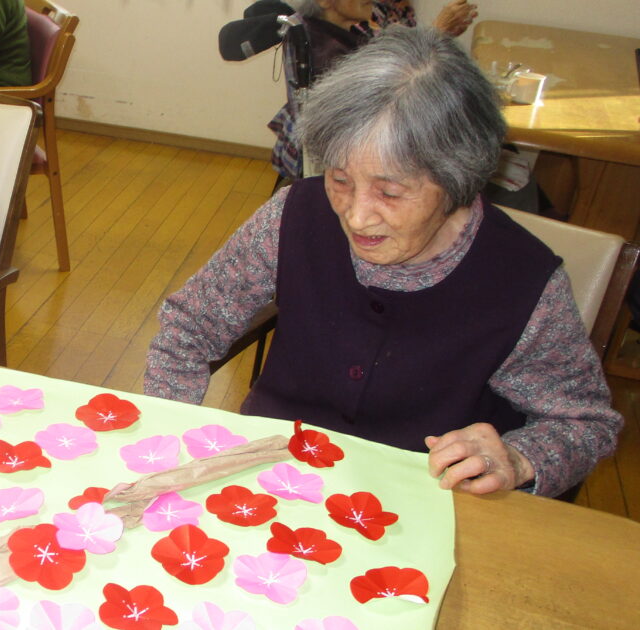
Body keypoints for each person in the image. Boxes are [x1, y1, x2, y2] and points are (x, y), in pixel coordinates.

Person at [144, 27, 621, 499]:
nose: (355, 216)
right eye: (340, 179)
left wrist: (518, 459)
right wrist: (168, 443)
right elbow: (189, 326)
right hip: (271, 475)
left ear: (458, 180)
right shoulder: (292, 215)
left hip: (422, 498)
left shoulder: (522, 281)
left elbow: (586, 424)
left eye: (389, 192)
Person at [268, 0, 477, 183]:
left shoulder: (340, 30)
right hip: (343, 155)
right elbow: (390, 96)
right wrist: (436, 33)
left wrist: (437, 35)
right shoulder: (325, 51)